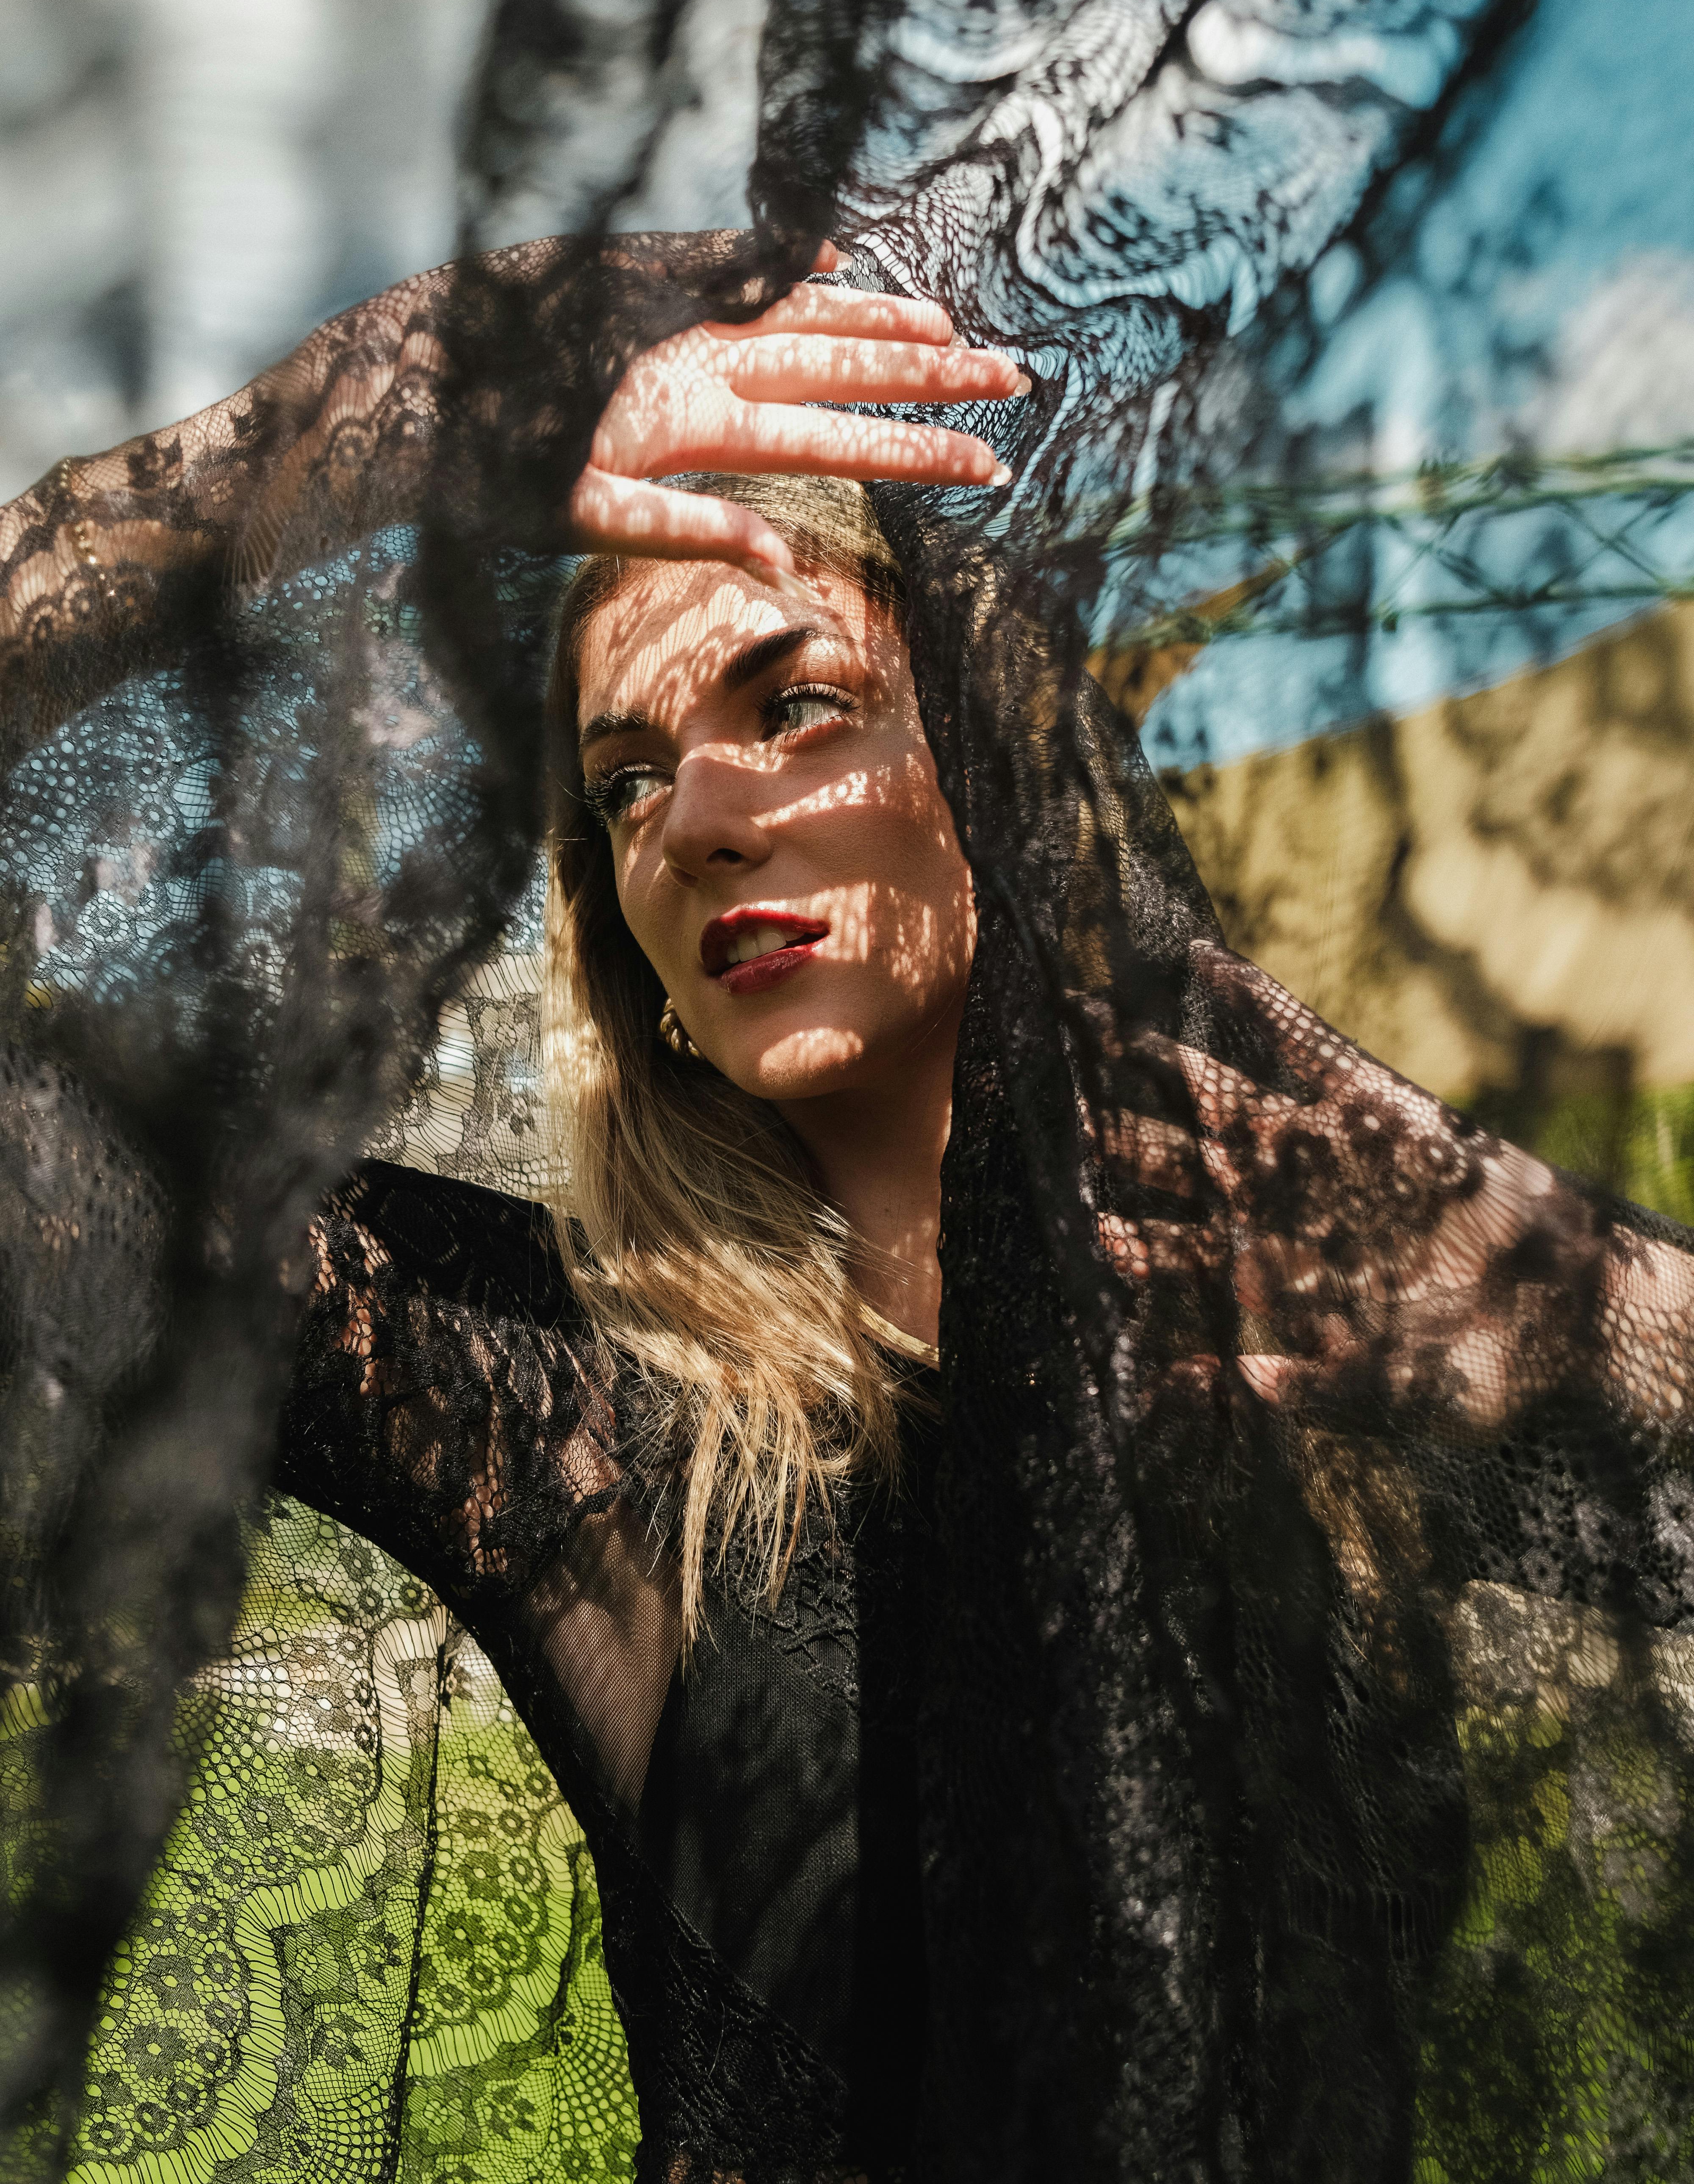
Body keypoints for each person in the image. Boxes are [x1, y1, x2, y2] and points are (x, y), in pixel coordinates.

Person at [7, 234, 1694, 2179]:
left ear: (992, 768)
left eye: (794, 702)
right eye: (628, 781)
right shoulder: (571, 1412)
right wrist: (297, 455)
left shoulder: (1312, 1332)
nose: (704, 815)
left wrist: (1578, 1310)